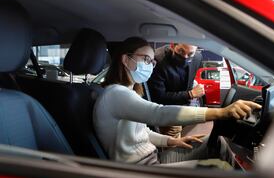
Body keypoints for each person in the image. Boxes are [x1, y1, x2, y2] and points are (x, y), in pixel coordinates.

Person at [93, 37, 261, 166]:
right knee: (214, 169)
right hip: (141, 169)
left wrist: (172, 141)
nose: (150, 65)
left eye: (152, 61)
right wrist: (221, 113)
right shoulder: (116, 94)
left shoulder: (128, 92)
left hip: (153, 157)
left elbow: (142, 133)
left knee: (215, 143)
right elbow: (158, 113)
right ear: (125, 59)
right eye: (146, 59)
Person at [148, 43, 205, 138]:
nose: (185, 57)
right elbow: (158, 97)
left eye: (190, 54)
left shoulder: (198, 58)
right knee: (172, 139)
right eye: (181, 51)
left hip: (183, 106)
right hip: (166, 110)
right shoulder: (158, 60)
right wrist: (190, 94)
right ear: (172, 45)